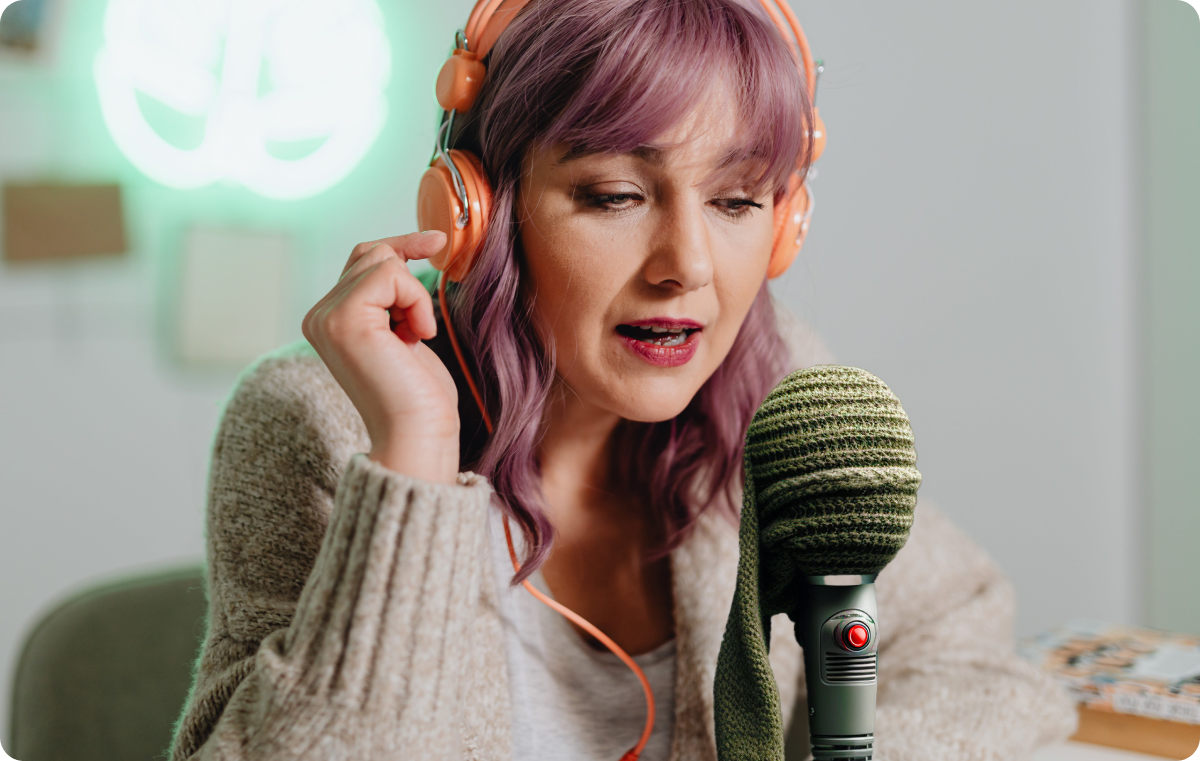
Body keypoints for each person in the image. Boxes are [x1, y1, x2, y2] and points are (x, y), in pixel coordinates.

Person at [168, 0, 1078, 759]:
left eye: (735, 200)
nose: (686, 265)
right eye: (615, 195)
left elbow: (968, 645)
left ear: (786, 223)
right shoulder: (322, 420)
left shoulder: (776, 381)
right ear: (479, 210)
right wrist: (411, 464)